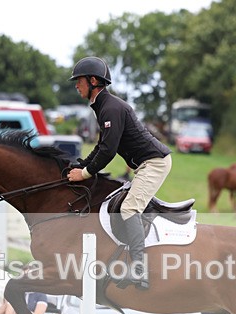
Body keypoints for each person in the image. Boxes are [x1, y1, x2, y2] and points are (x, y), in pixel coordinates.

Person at [67, 56, 172, 290]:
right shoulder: (103, 106)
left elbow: (108, 151)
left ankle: (140, 271)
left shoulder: (111, 107)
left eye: (79, 81)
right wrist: (81, 164)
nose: (76, 85)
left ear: (93, 81)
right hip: (147, 163)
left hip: (154, 163)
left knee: (129, 208)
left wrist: (84, 174)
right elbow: (101, 146)